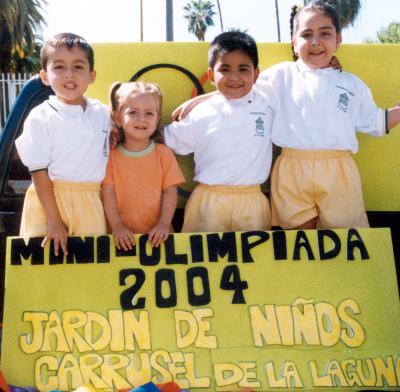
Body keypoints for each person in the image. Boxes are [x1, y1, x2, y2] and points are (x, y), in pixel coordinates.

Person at [173, 1, 400, 230]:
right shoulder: (282, 75)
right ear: (294, 40)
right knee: (298, 243)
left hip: (339, 171)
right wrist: (200, 99)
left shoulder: (352, 84)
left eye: (325, 33)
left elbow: (376, 122)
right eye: (306, 34)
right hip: (292, 168)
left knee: (343, 238)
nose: (315, 42)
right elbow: (240, 90)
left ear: (338, 39)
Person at [164, 31, 276, 233]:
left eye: (243, 69)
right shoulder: (200, 113)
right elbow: (165, 140)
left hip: (253, 203)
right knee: (203, 261)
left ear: (256, 74)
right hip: (208, 203)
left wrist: (331, 64)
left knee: (255, 263)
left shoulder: (268, 102)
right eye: (225, 69)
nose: (234, 77)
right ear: (211, 76)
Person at [15, 33, 110, 256]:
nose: (69, 74)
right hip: (49, 203)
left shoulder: (103, 113)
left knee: (89, 274)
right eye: (59, 67)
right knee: (45, 274)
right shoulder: (40, 116)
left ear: (92, 75)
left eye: (78, 66)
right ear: (45, 76)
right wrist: (54, 221)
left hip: (90, 202)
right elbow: (38, 172)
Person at [102, 81, 185, 250]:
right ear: (118, 118)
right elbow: (108, 193)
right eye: (133, 112)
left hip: (158, 237)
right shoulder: (110, 156)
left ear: (157, 118)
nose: (142, 119)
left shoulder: (163, 154)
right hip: (121, 238)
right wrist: (117, 226)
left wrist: (163, 224)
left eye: (149, 113)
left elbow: (170, 192)